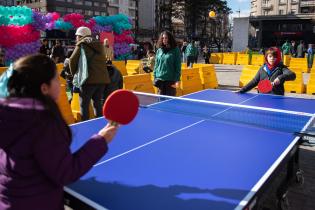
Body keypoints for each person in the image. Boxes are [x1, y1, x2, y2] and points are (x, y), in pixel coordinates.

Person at [0, 54, 118, 210]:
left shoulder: (8, 115)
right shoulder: (42, 124)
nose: (60, 83)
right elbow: (66, 172)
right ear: (44, 88)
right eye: (56, 79)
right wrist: (101, 139)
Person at [69, 26, 110, 121]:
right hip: (102, 79)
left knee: (84, 104)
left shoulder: (81, 44)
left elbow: (72, 60)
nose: (76, 38)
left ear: (80, 36)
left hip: (88, 79)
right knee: (97, 104)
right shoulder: (99, 44)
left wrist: (74, 74)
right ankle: (99, 124)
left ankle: (86, 125)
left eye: (77, 36)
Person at [153, 30, 181, 96]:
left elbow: (178, 66)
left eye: (166, 38)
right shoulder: (159, 50)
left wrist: (177, 80)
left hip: (170, 81)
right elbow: (156, 65)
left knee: (170, 102)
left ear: (170, 39)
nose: (164, 40)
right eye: (163, 38)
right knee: (160, 102)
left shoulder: (175, 50)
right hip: (160, 80)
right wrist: (154, 76)